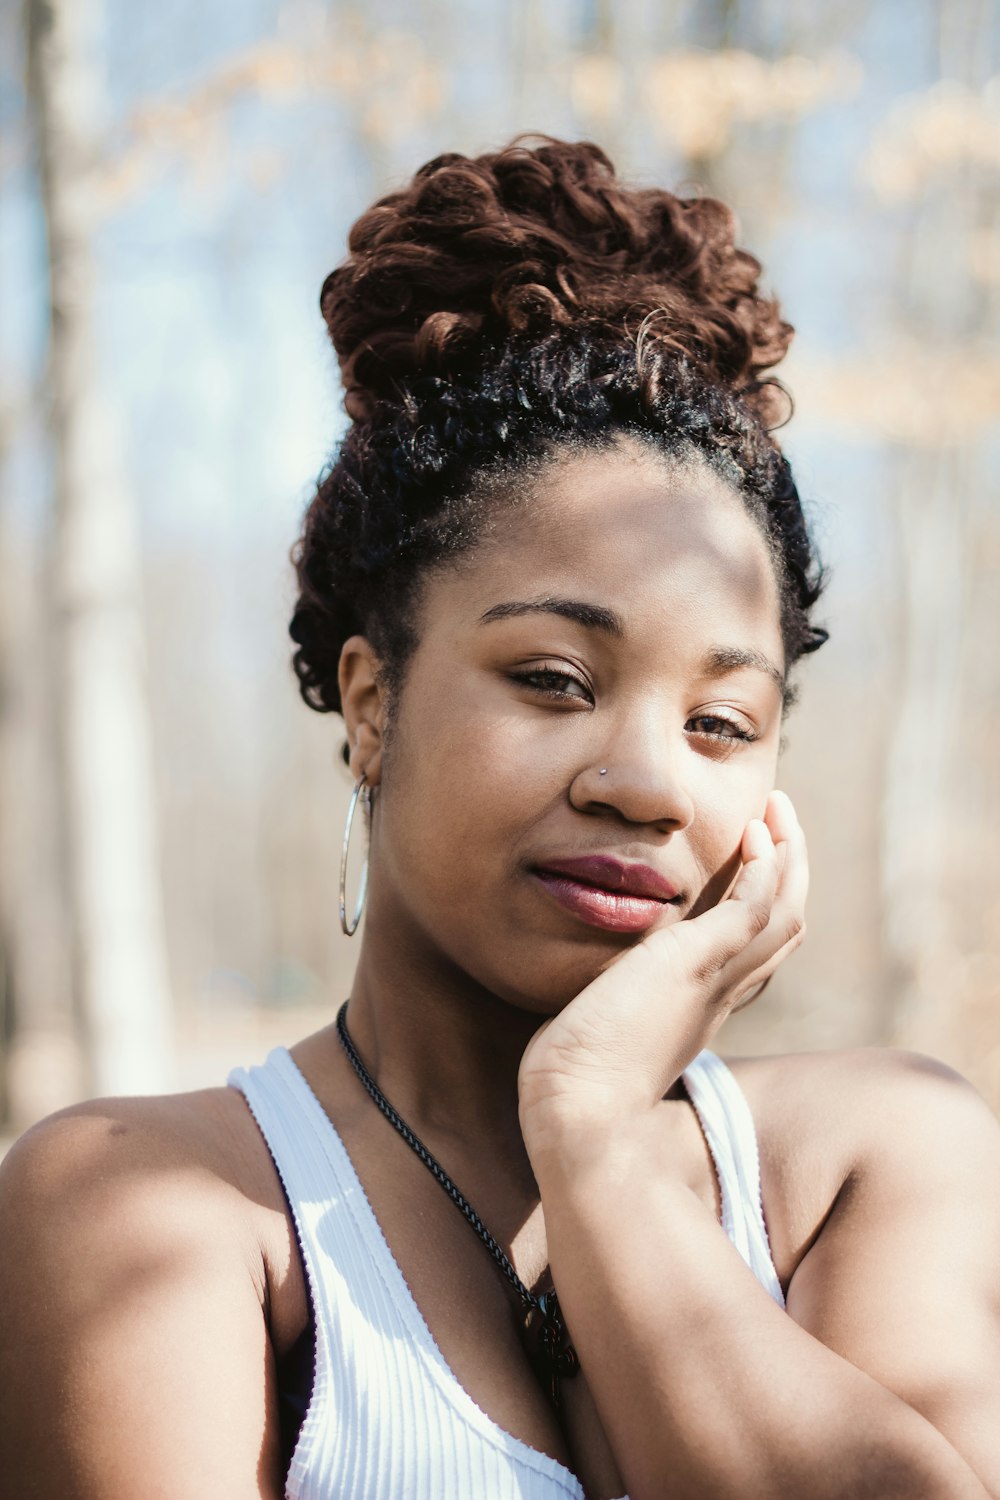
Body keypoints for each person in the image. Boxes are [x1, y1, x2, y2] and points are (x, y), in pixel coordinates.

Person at [1, 136, 998, 1500]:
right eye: (554, 680)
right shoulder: (150, 1205)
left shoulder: (869, 1156)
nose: (646, 782)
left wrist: (595, 1139)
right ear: (371, 698)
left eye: (722, 724)